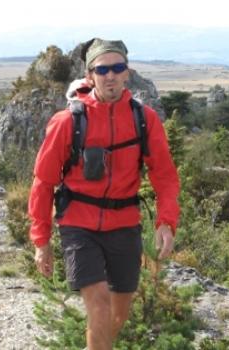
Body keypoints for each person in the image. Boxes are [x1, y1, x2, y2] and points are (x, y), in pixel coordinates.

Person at [28, 38, 180, 350]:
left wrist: (166, 222)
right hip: (78, 225)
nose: (110, 75)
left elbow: (164, 176)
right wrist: (41, 241)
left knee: (117, 313)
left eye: (117, 68)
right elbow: (43, 183)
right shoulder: (68, 122)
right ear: (89, 75)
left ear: (128, 73)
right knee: (98, 305)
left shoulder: (144, 119)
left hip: (124, 225)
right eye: (102, 69)